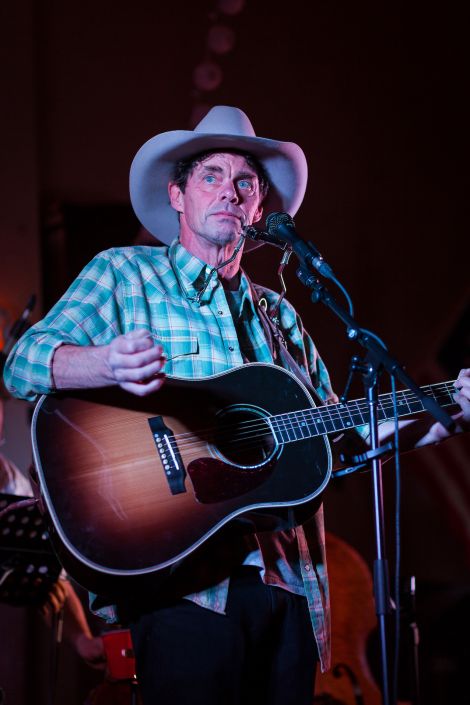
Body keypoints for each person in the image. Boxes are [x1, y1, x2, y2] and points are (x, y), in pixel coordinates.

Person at [2, 106, 469, 705]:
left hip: (291, 583)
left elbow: (338, 437)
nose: (231, 190)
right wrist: (104, 363)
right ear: (178, 195)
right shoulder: (124, 275)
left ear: (259, 208)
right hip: (185, 585)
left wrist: (441, 414)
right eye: (212, 176)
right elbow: (22, 364)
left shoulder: (280, 315)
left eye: (245, 182)